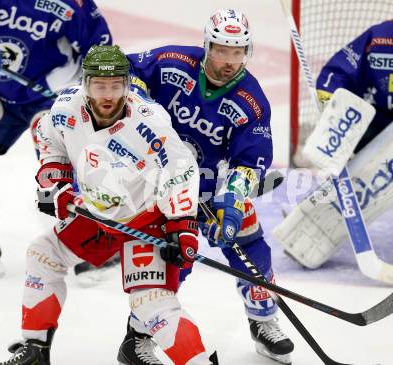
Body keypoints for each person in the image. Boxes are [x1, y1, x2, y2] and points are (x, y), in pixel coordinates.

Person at [0, 44, 218, 365]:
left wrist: (182, 228)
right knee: (43, 255)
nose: (108, 95)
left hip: (146, 220)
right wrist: (54, 184)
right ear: (86, 84)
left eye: (116, 85)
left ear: (127, 86)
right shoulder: (66, 108)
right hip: (97, 211)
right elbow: (47, 137)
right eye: (100, 86)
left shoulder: (149, 121)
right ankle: (35, 350)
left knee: (151, 302)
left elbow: (181, 168)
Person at [112, 9, 293, 365]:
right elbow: (125, 67)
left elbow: (249, 161)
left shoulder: (251, 101)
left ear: (248, 51)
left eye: (237, 52)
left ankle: (262, 319)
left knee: (250, 243)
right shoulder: (173, 61)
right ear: (207, 45)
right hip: (155, 185)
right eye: (222, 50)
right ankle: (136, 337)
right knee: (176, 260)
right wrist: (139, 100)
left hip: (208, 188)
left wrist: (233, 202)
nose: (229, 61)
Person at [0, 0, 112, 277]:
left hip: (55, 97)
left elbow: (103, 54)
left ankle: (95, 238)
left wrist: (83, 92)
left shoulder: (74, 5)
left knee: (55, 158)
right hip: (5, 94)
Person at [273, 20, 393, 271]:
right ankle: (308, 226)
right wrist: (332, 103)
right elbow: (338, 71)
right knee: (355, 167)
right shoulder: (380, 38)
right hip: (374, 120)